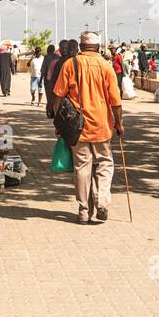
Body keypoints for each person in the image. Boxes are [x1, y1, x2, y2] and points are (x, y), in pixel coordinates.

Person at [53, 30, 123, 224]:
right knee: (105, 163)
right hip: (102, 126)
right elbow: (116, 101)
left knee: (82, 168)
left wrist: (59, 123)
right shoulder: (105, 66)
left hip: (77, 127)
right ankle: (102, 201)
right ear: (98, 47)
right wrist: (119, 123)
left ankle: (84, 212)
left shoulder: (70, 64)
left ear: (81, 47)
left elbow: (57, 97)